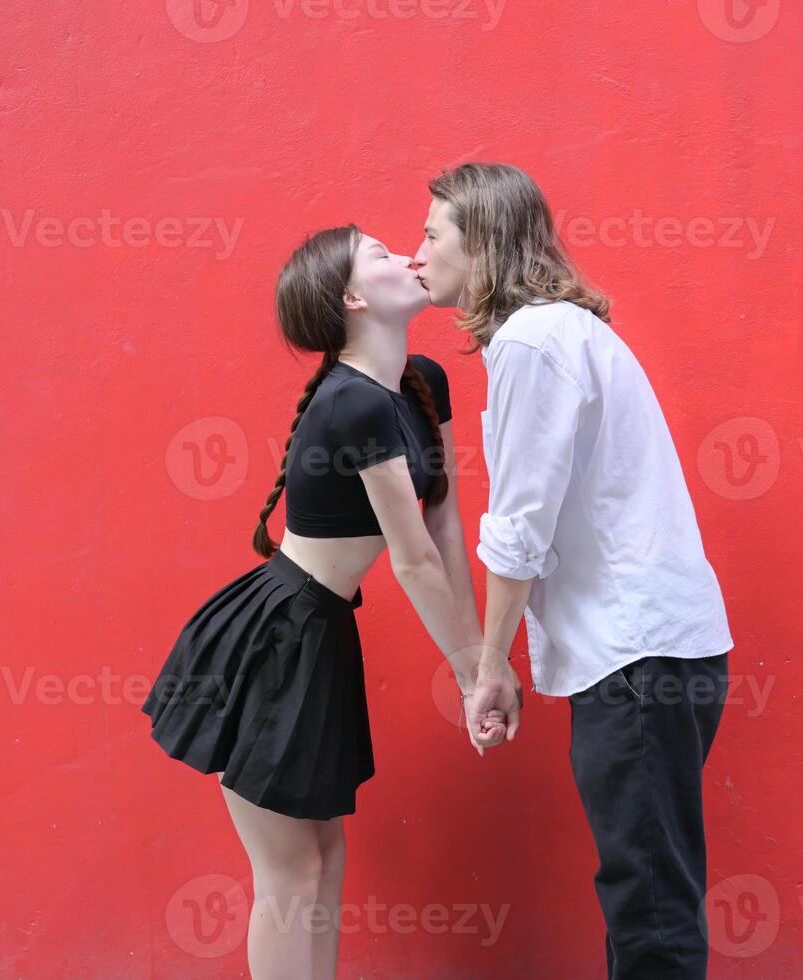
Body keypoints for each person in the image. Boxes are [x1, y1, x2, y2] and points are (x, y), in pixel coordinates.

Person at [141, 224, 503, 980]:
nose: (406, 254)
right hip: (274, 639)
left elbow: (443, 529)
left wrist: (484, 661)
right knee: (291, 876)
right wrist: (476, 676)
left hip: (320, 630)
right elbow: (408, 561)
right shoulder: (353, 405)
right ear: (352, 297)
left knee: (326, 861)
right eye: (379, 254)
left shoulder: (420, 380)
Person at [413, 162, 736, 979]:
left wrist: (490, 668)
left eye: (431, 234)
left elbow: (521, 529)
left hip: (635, 660)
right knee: (650, 890)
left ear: (480, 242)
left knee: (649, 905)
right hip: (656, 652)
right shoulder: (559, 332)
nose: (417, 253)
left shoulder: (530, 341)